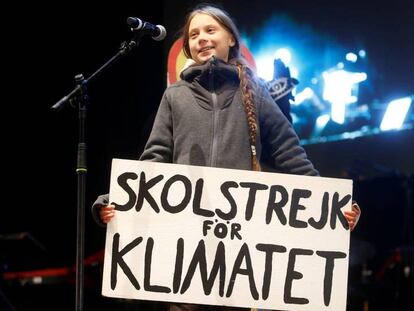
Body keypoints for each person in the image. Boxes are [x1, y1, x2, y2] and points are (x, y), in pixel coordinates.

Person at [92, 4, 361, 311]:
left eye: (210, 30)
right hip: (186, 252)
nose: (202, 38)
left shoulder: (256, 92)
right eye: (194, 34)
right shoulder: (175, 96)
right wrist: (119, 200)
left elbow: (291, 155)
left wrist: (331, 205)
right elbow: (154, 161)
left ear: (231, 38)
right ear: (187, 47)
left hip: (239, 253)